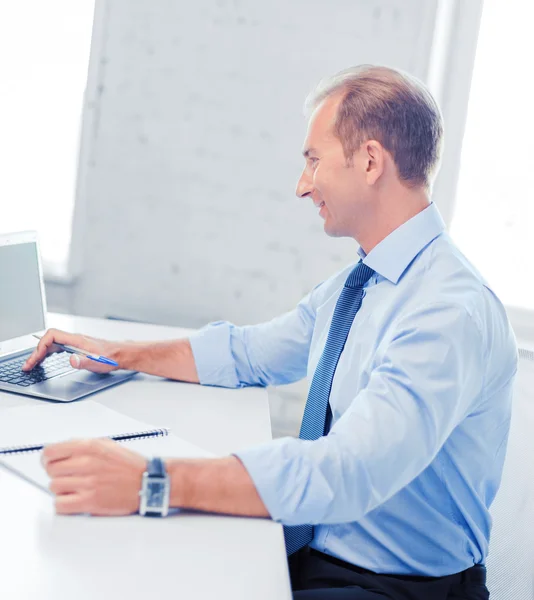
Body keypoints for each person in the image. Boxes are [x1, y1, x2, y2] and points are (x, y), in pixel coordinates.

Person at [23, 65, 517, 599]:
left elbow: (346, 472)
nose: (302, 185)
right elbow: (250, 354)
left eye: (313, 160)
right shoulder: (365, 282)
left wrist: (151, 481)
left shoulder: (446, 311)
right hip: (321, 553)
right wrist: (119, 353)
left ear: (370, 161)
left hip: (394, 588)